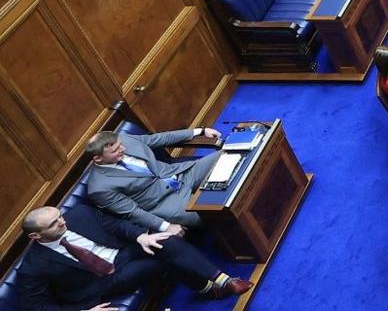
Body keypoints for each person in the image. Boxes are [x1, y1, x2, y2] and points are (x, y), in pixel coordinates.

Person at [15, 203, 251, 307]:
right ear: (36, 236)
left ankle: (222, 281)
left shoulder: (79, 214)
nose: (63, 222)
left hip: (123, 252)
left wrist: (141, 236)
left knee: (164, 241)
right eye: (54, 224)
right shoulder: (32, 267)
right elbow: (36, 308)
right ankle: (211, 289)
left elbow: (116, 225)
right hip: (104, 280)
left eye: (60, 216)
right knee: (159, 262)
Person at [82, 126, 224, 230]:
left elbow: (158, 139)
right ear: (98, 159)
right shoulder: (99, 188)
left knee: (232, 154)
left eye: (121, 145)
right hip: (165, 202)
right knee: (215, 213)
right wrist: (166, 227)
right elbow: (132, 212)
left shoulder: (123, 139)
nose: (123, 149)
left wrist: (199, 131)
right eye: (115, 150)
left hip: (182, 173)